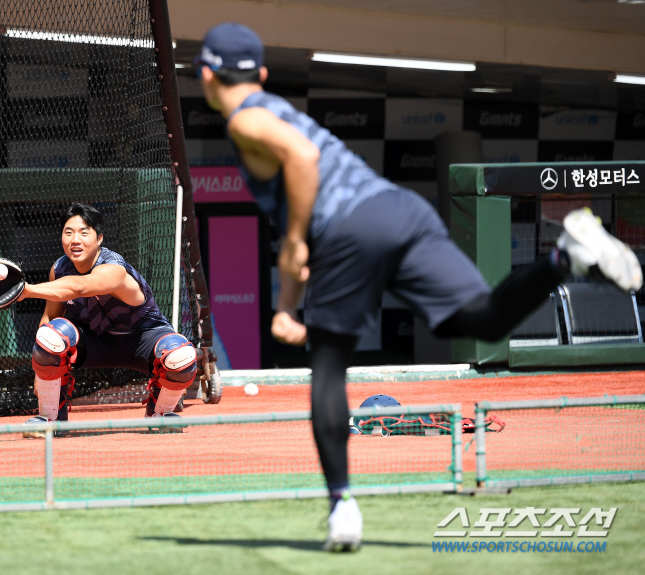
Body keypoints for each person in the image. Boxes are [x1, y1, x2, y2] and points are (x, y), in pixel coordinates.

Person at [194, 22, 643, 552]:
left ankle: (341, 506)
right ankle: (566, 256)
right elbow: (303, 194)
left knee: (330, 365)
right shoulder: (274, 106)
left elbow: (303, 161)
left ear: (205, 74)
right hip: (399, 209)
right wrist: (289, 305)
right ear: (264, 73)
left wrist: (294, 241)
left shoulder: (245, 118)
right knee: (482, 320)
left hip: (347, 227)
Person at [18, 202, 198, 432]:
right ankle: (50, 419)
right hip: (95, 342)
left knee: (180, 354)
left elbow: (83, 287)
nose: (75, 240)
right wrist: (41, 371)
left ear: (99, 238)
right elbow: (49, 317)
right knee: (51, 335)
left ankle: (161, 412)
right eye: (68, 232)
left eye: (84, 233)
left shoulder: (114, 268)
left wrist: (26, 291)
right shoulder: (60, 269)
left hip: (142, 340)